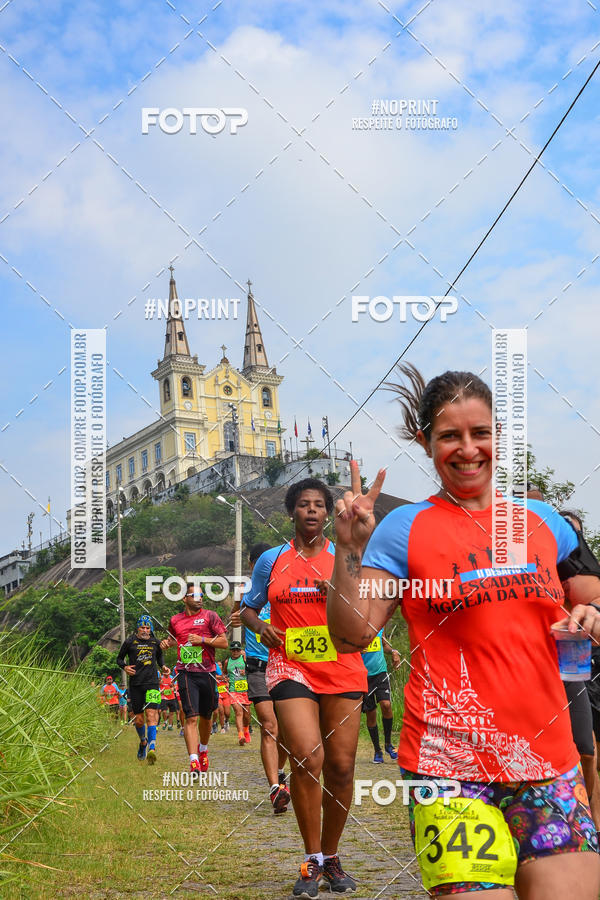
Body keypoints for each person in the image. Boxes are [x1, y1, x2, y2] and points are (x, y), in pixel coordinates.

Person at [327, 363, 600, 899]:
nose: (467, 448)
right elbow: (353, 633)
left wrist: (591, 613)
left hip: (549, 761)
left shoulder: (544, 520)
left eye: (480, 433)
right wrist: (350, 550)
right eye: (450, 435)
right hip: (448, 767)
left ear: (498, 435)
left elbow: (589, 592)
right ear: (427, 442)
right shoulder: (402, 529)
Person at [241, 478, 367, 897]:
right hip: (290, 665)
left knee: (342, 766)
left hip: (342, 666)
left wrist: (340, 595)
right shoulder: (272, 560)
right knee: (308, 756)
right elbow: (247, 608)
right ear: (291, 512)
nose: (311, 511)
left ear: (328, 514)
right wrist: (261, 627)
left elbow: (367, 608)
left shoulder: (345, 557)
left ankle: (332, 857)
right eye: (303, 505)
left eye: (319, 505)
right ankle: (310, 860)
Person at [236, 542, 290, 813]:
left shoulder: (286, 588)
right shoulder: (247, 593)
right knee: (269, 725)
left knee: (287, 731)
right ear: (251, 565)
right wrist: (236, 619)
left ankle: (280, 773)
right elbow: (237, 616)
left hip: (285, 666)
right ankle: (274, 789)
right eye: (260, 563)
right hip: (257, 667)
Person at [559, 509, 600, 836]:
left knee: (586, 747)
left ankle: (592, 820)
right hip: (530, 664)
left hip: (574, 659)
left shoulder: (581, 567)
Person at [160, 579, 228, 774]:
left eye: (201, 596)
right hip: (185, 672)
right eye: (195, 596)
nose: (200, 599)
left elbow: (224, 642)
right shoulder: (175, 620)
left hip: (207, 672)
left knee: (206, 717)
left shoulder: (210, 616)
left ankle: (203, 750)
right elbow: (174, 639)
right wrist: (166, 643)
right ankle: (193, 761)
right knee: (191, 716)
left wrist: (203, 640)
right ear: (184, 598)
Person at [117, 615, 170, 764]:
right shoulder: (129, 642)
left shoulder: (155, 642)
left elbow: (160, 659)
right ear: (138, 628)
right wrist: (125, 667)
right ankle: (143, 742)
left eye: (148, 628)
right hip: (136, 685)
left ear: (151, 629)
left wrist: (164, 667)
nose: (145, 631)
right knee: (139, 720)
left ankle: (152, 748)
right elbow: (119, 659)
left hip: (152, 683)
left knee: (151, 714)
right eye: (142, 628)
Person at [361, 628, 401, 763]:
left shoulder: (379, 625)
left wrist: (394, 652)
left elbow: (384, 645)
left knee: (386, 704)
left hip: (380, 673)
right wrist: (356, 650)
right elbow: (345, 647)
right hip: (363, 676)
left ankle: (388, 744)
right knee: (370, 714)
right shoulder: (354, 624)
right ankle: (377, 751)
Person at [221, 641, 252, 745]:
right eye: (233, 650)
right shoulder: (227, 661)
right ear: (230, 651)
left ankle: (246, 730)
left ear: (240, 650)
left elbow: (252, 669)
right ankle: (241, 736)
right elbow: (224, 673)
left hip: (245, 689)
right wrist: (225, 678)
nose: (235, 652)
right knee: (238, 712)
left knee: (247, 715)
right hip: (234, 690)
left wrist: (246, 671)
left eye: (237, 650)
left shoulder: (244, 658)